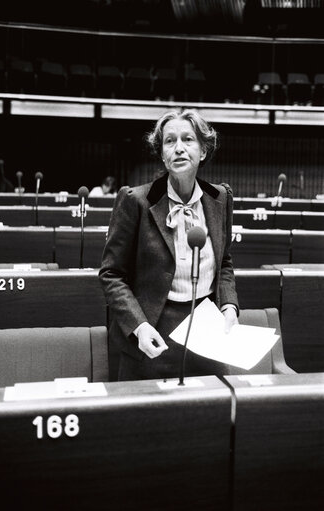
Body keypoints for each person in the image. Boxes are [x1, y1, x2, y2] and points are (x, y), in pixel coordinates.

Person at [99, 109, 239, 381]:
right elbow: (111, 274)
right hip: (153, 330)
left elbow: (225, 263)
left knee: (214, 413)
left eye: (188, 139)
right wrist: (138, 326)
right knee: (150, 420)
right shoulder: (135, 201)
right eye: (169, 141)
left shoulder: (220, 198)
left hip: (207, 328)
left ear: (203, 151)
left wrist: (229, 306)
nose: (179, 148)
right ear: (162, 154)